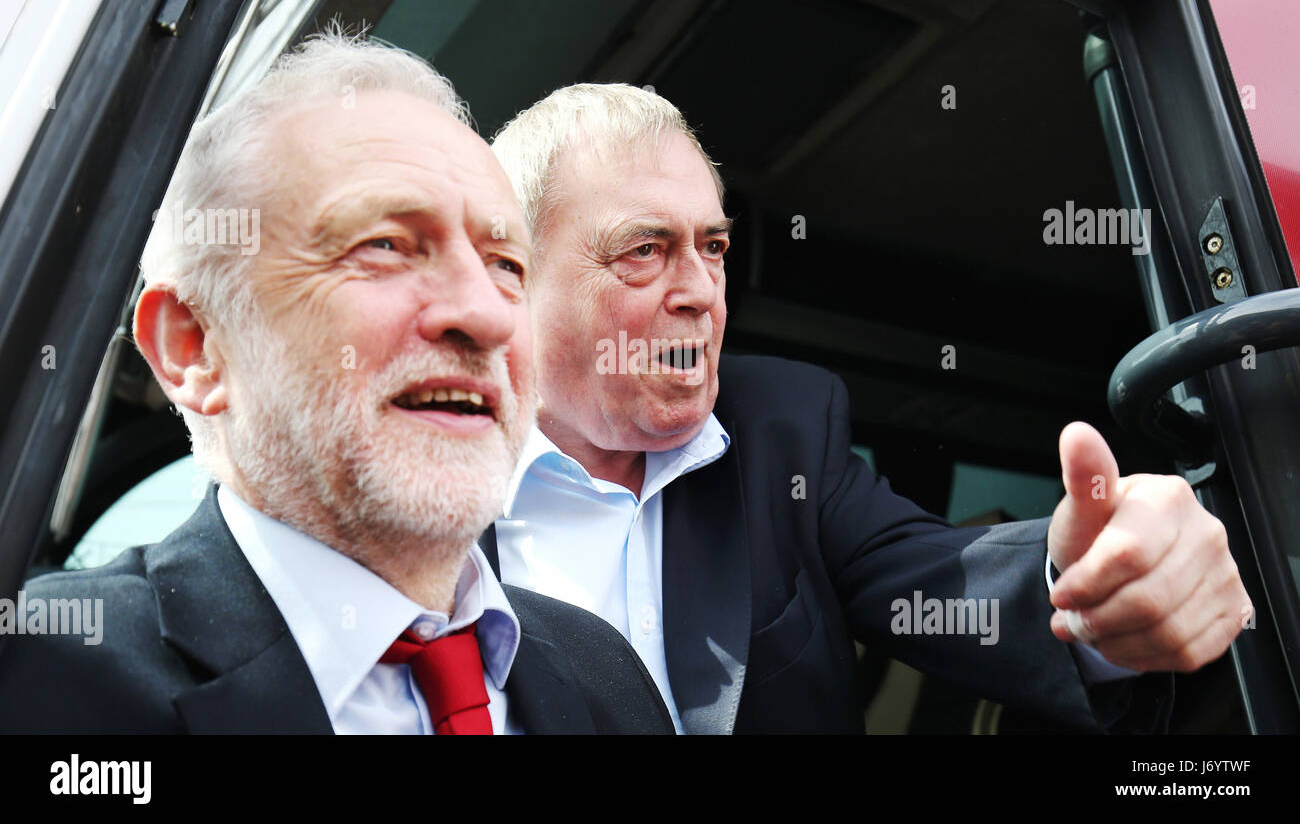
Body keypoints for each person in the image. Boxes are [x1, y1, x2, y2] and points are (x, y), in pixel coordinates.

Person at [484, 83, 1252, 734]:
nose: (700, 291)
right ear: (515, 276)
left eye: (712, 248)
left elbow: (952, 585)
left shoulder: (782, 432)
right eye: (644, 251)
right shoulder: (424, 489)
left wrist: (1094, 581)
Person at [0, 37, 672, 734]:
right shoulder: (43, 679)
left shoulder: (608, 679)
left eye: (506, 263)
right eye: (384, 245)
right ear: (195, 345)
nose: (484, 313)